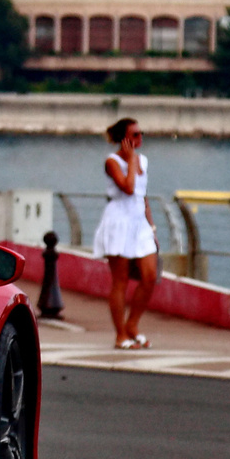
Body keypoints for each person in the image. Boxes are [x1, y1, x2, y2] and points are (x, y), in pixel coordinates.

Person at [94, 117, 158, 350]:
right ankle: (120, 334)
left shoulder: (144, 160)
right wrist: (130, 160)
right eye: (135, 135)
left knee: (149, 277)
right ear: (124, 139)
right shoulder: (112, 162)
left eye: (142, 134)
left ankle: (132, 324)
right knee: (120, 281)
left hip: (139, 223)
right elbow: (128, 188)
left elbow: (142, 196)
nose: (140, 139)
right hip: (118, 222)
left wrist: (152, 227)